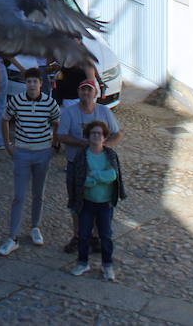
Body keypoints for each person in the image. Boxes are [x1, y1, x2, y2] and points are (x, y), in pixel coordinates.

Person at [0, 68, 60, 256]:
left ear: (41, 83)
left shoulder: (50, 103)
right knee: (19, 196)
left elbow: (57, 122)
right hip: (22, 152)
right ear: (26, 83)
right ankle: (13, 236)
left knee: (38, 193)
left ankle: (35, 227)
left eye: (35, 81)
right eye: (29, 81)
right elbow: (5, 119)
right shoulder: (17, 100)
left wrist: (54, 145)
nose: (32, 85)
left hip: (42, 152)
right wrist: (8, 144)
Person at [57, 79, 122, 253]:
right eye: (83, 90)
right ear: (78, 93)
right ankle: (77, 236)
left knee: (98, 200)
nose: (86, 93)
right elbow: (61, 135)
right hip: (76, 164)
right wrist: (83, 144)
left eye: (89, 90)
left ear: (95, 94)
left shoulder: (103, 111)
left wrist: (102, 147)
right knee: (76, 202)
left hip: (99, 165)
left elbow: (117, 133)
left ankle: (94, 236)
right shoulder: (70, 112)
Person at [69, 120, 126, 281]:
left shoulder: (110, 155)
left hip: (105, 203)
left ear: (104, 137)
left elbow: (113, 176)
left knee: (106, 235)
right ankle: (82, 262)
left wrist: (94, 175)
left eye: (99, 133)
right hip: (87, 202)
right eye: (93, 133)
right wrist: (99, 177)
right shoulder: (82, 155)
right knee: (84, 234)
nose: (96, 136)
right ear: (88, 136)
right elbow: (80, 180)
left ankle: (107, 265)